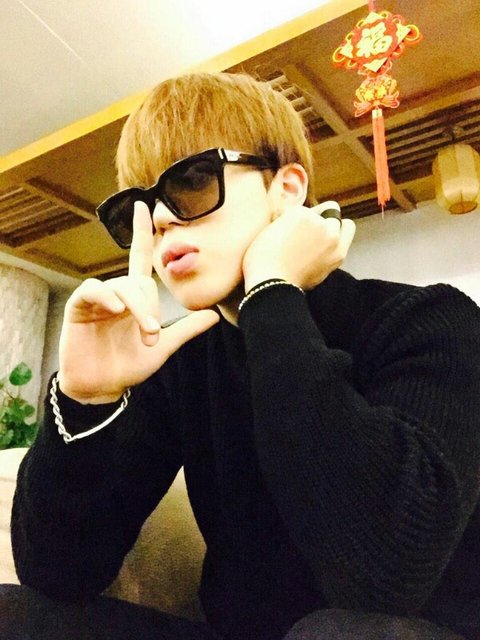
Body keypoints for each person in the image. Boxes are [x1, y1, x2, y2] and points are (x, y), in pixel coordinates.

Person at [1, 72, 479, 640]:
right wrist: (86, 399)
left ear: (288, 190)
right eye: (140, 207)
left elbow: (384, 576)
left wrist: (271, 289)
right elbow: (58, 574)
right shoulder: (180, 361)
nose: (160, 219)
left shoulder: (430, 320)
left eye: (192, 180)